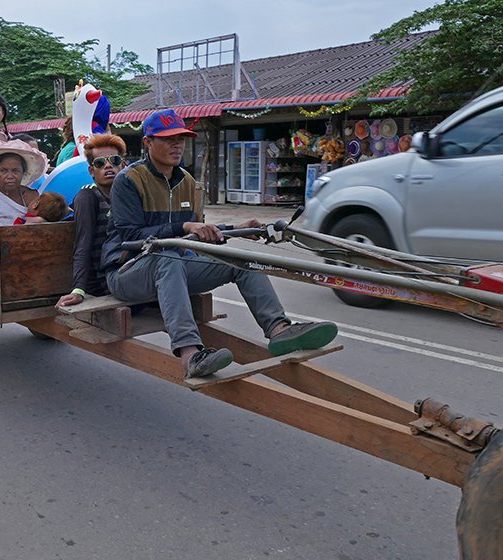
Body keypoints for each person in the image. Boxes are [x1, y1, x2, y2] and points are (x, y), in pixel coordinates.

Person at [100, 109, 338, 379]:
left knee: (240, 259)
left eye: (181, 138)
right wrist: (184, 227)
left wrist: (235, 229)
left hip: (174, 268)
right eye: (168, 139)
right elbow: (131, 238)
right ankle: (190, 354)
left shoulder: (187, 181)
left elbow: (197, 233)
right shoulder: (129, 181)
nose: (177, 144)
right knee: (168, 258)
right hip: (127, 271)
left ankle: (279, 330)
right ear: (148, 143)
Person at [56, 133, 127, 308]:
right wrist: (78, 289)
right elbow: (83, 242)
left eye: (115, 160)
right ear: (91, 171)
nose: (108, 166)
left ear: (123, 165)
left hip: (126, 270)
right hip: (103, 282)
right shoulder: (87, 196)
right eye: (100, 163)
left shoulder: (130, 196)